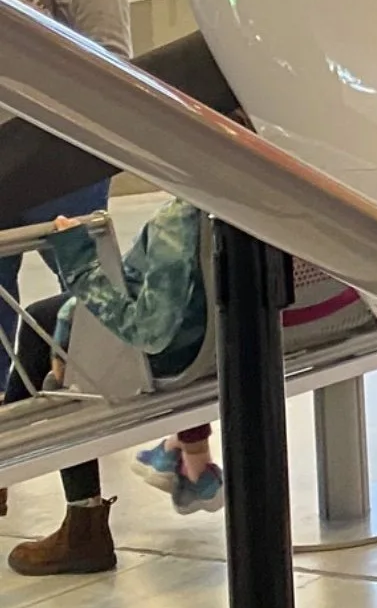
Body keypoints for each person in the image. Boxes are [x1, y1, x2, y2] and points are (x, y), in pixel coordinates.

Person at [4, 200, 221, 573]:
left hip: (172, 356)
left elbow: (149, 332)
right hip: (227, 338)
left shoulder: (179, 219)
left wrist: (80, 265)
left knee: (66, 349)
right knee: (46, 315)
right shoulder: (254, 197)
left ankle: (80, 524)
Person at [0, 0, 129, 405]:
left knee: (89, 295)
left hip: (59, 163)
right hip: (2, 157)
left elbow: (114, 65)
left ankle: (103, 401)